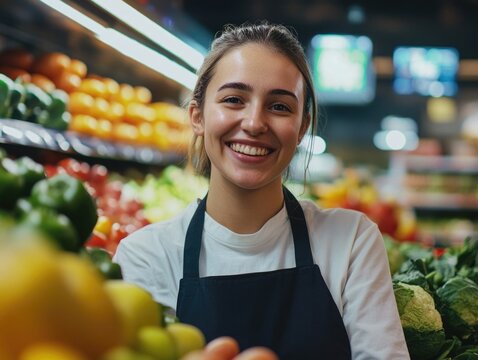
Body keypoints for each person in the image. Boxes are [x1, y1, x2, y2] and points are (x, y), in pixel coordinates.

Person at [114, 22, 410, 360]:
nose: (254, 123)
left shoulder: (351, 240)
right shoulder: (145, 256)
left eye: (280, 106)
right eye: (234, 99)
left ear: (301, 129)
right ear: (197, 116)